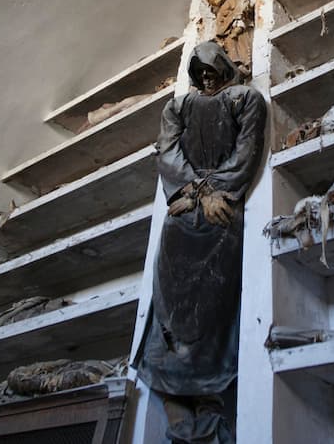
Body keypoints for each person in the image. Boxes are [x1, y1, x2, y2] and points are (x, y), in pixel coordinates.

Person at [134, 41, 266, 443]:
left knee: (213, 309)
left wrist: (213, 192)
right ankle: (177, 408)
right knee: (169, 304)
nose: (207, 78)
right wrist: (192, 192)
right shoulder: (177, 107)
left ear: (225, 67)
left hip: (222, 215)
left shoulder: (246, 99)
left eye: (213, 70)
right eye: (200, 72)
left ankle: (209, 405)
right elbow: (167, 154)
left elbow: (246, 152)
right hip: (182, 216)